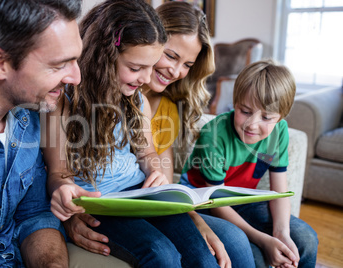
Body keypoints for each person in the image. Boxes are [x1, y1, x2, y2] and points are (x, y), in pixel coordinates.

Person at [44, 0, 221, 267]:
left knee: (201, 255)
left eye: (150, 67)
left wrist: (155, 171)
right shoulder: (64, 101)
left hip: (141, 194)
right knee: (161, 254)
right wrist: (64, 192)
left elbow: (147, 152)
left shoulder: (137, 100)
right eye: (136, 68)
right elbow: (57, 173)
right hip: (101, 204)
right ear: (106, 56)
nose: (144, 78)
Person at [0, 0, 89, 266]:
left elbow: (34, 213)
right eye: (59, 65)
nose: (75, 78)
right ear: (0, 62)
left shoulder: (28, 108)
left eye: (75, 60)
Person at [140, 2, 255, 267]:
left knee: (234, 242)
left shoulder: (167, 108)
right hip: (124, 207)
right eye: (170, 55)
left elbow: (165, 188)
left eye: (187, 64)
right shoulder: (110, 96)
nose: (176, 71)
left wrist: (195, 219)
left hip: (155, 206)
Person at [180, 59, 319, 267]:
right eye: (245, 111)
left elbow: (278, 192)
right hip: (204, 204)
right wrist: (264, 240)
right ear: (235, 103)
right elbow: (218, 204)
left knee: (306, 240)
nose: (252, 124)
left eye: (266, 117)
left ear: (281, 116)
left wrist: (281, 233)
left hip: (242, 200)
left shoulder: (280, 132)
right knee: (256, 256)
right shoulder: (214, 135)